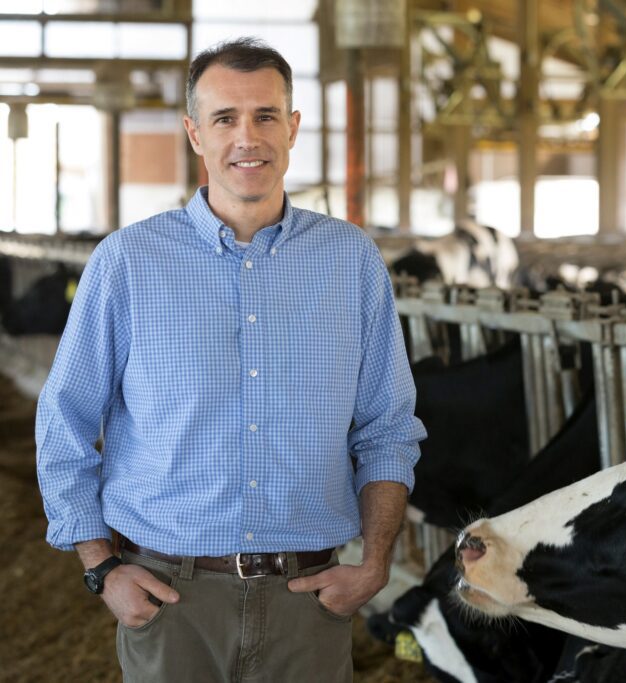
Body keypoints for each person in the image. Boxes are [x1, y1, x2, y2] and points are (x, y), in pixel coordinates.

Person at [35, 37, 426, 681]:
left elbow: (387, 426)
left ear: (293, 127)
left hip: (311, 599)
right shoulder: (128, 263)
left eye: (266, 115)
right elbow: (66, 418)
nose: (248, 137)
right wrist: (101, 569)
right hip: (171, 599)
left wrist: (375, 561)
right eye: (225, 118)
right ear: (194, 132)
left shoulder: (351, 262)